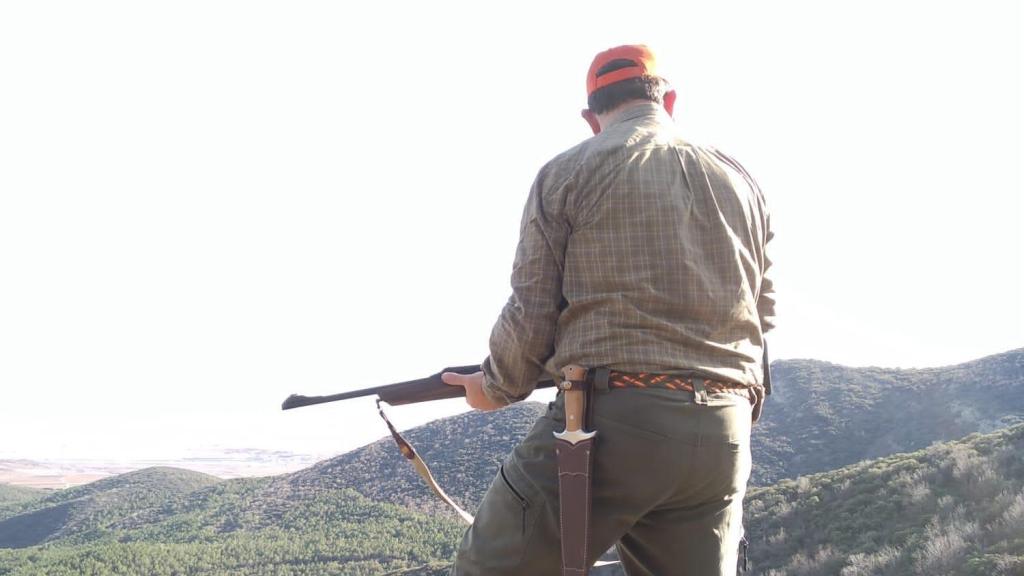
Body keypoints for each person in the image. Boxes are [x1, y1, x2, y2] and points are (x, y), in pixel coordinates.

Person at [443, 44, 775, 576]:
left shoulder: (569, 170)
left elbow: (531, 311)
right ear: (668, 101)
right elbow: (763, 312)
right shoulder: (740, 179)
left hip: (609, 424)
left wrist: (494, 387)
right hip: (724, 432)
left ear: (590, 117)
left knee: (487, 567)